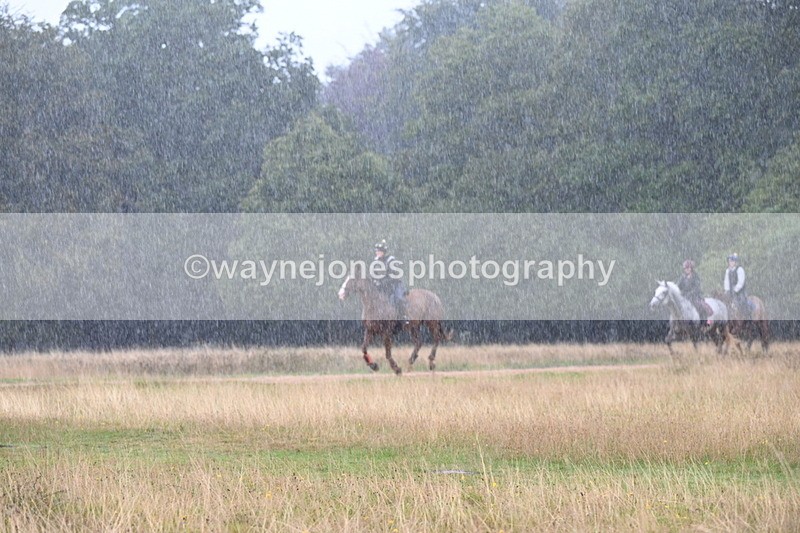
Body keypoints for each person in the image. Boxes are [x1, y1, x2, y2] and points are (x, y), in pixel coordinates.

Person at [371, 239, 408, 324]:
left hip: (395, 284)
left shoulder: (391, 260)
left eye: (379, 251)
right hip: (382, 286)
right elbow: (374, 274)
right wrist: (374, 281)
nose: (377, 253)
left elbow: (394, 276)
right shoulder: (376, 261)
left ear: (384, 252)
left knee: (398, 299)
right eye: (376, 251)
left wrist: (382, 282)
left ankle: (403, 317)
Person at [676, 259, 708, 323]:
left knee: (701, 307)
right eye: (685, 268)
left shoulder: (695, 276)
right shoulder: (682, 277)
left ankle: (705, 322)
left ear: (691, 268)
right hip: (684, 297)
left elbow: (697, 288)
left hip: (695, 296)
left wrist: (690, 294)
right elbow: (677, 287)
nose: (687, 269)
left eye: (688, 268)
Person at [724, 253, 750, 318]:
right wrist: (727, 290)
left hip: (740, 292)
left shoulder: (740, 269)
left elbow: (741, 282)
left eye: (732, 261)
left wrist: (735, 290)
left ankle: (747, 317)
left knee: (742, 302)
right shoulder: (728, 271)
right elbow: (726, 281)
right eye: (729, 261)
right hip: (731, 292)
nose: (730, 263)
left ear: (735, 262)